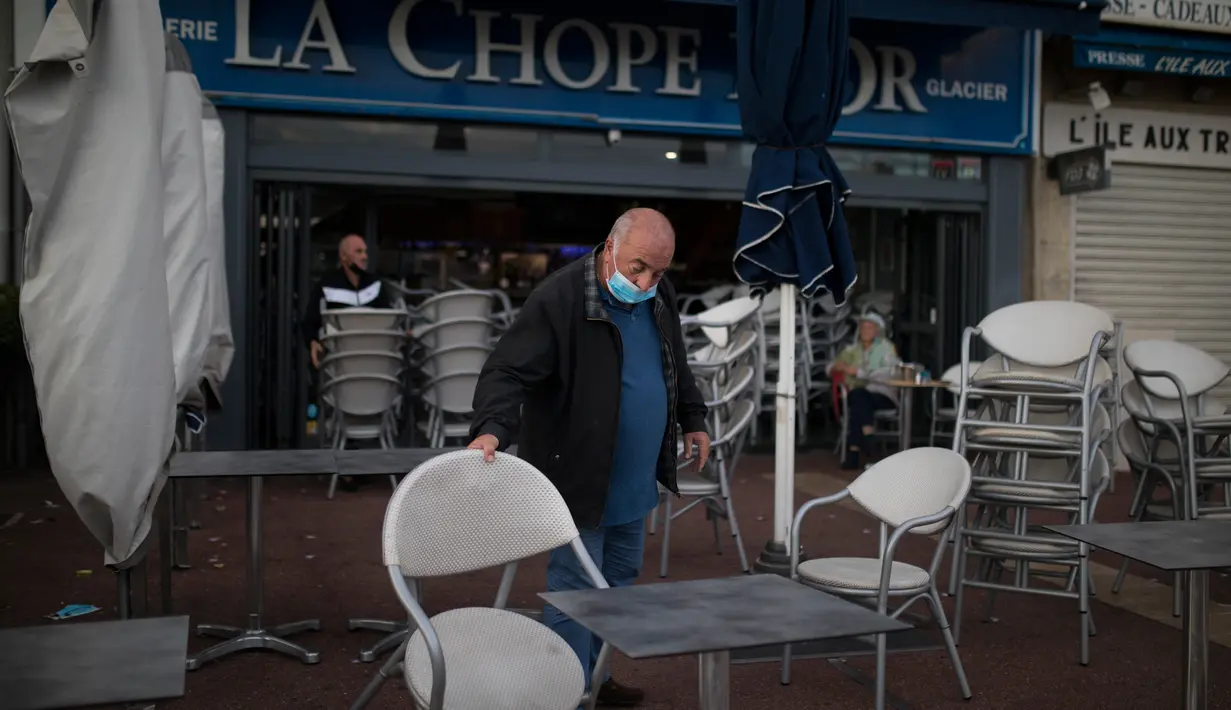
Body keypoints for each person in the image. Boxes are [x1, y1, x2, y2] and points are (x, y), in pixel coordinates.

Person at [467, 208, 710, 708]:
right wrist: (492, 430)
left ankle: (595, 679)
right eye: (639, 267)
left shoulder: (658, 294)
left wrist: (693, 416)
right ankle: (567, 691)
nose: (646, 282)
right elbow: (505, 371)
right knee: (576, 591)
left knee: (617, 586)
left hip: (635, 480)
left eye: (659, 272)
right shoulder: (559, 298)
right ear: (610, 248)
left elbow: (674, 362)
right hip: (578, 475)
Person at [302, 233, 391, 370]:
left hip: (372, 361)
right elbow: (310, 322)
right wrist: (313, 342)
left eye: (365, 252)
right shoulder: (327, 285)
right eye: (358, 252)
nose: (365, 257)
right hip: (338, 363)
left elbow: (389, 320)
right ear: (343, 256)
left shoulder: (375, 285)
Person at [830, 312, 900, 470]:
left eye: (869, 328)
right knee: (858, 398)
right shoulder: (852, 350)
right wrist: (837, 367)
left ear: (877, 331)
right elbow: (830, 368)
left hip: (883, 394)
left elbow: (888, 372)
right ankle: (869, 440)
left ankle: (854, 454)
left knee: (857, 400)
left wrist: (859, 372)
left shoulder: (886, 348)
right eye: (862, 327)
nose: (865, 331)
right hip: (860, 395)